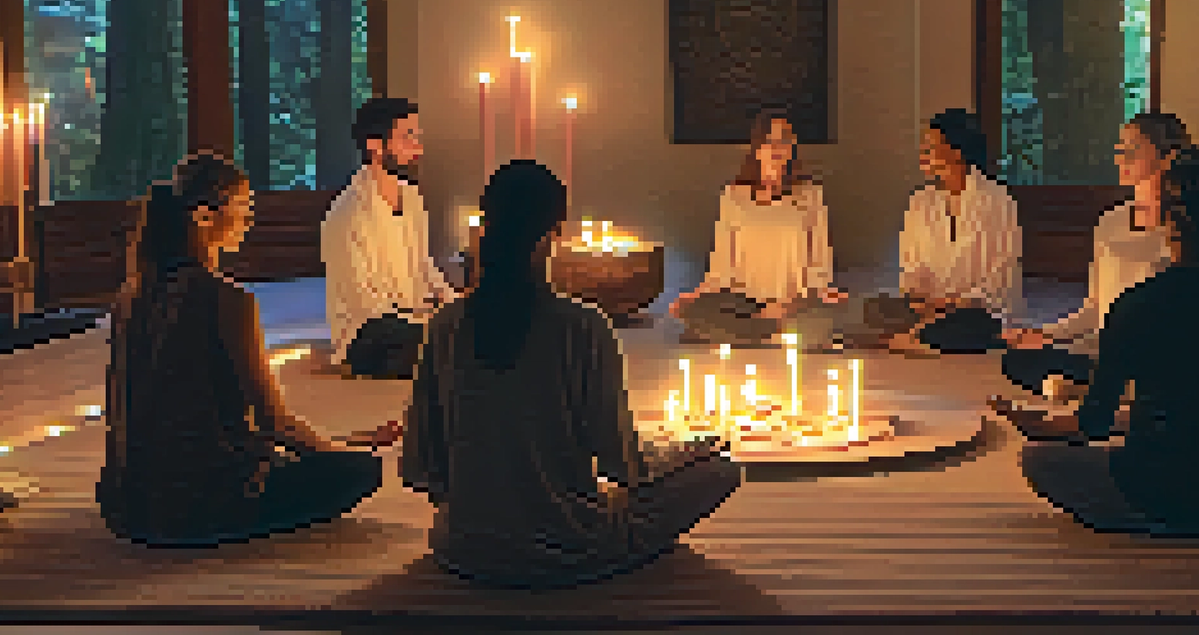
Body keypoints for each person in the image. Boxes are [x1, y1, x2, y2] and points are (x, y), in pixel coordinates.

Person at [404, 160, 743, 589]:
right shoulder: (583, 326)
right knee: (721, 471)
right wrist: (684, 452)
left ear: (485, 224)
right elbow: (622, 463)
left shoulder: (445, 325)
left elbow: (420, 465)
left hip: (464, 547)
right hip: (569, 545)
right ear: (556, 233)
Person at [99, 151, 383, 547]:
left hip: (127, 505)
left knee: (307, 455)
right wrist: (336, 453)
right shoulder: (226, 299)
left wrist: (339, 441)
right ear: (204, 217)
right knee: (363, 471)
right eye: (243, 209)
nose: (248, 221)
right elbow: (272, 422)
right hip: (204, 503)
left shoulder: (130, 298)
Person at [1018, 146, 1199, 537]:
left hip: (1161, 487)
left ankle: (1163, 518)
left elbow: (1095, 423)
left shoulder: (1138, 303)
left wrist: (1043, 425)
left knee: (1038, 460)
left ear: (1163, 216)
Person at [1001, 112, 1192, 400]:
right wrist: (1044, 333)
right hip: (1107, 352)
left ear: (1167, 157)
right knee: (1019, 360)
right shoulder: (1110, 221)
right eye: (1119, 148)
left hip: (1156, 355)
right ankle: (1109, 390)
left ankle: (1101, 391)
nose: (1121, 157)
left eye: (1133, 149)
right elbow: (1093, 309)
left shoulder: (1183, 226)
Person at [837, 109, 1022, 355]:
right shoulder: (920, 201)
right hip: (929, 308)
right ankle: (920, 335)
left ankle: (905, 339)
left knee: (973, 323)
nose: (923, 153)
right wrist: (920, 300)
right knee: (874, 307)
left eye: (931, 146)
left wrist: (955, 303)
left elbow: (1001, 273)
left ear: (957, 152)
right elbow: (912, 266)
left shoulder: (997, 200)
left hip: (976, 310)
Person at [669, 110, 849, 351]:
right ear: (757, 148)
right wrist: (696, 295)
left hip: (794, 303)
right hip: (742, 302)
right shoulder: (734, 196)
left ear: (792, 148)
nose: (776, 148)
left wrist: (814, 295)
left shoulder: (810, 195)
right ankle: (771, 332)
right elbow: (722, 263)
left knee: (831, 316)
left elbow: (819, 260)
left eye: (783, 140)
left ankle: (745, 333)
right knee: (694, 311)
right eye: (769, 140)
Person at [322, 97, 457, 380]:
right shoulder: (348, 212)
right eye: (407, 137)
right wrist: (424, 319)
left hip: (414, 318)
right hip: (368, 332)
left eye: (418, 137)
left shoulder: (411, 197)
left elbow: (424, 265)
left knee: (471, 328)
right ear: (375, 145)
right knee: (441, 344)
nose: (418, 148)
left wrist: (453, 303)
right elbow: (362, 302)